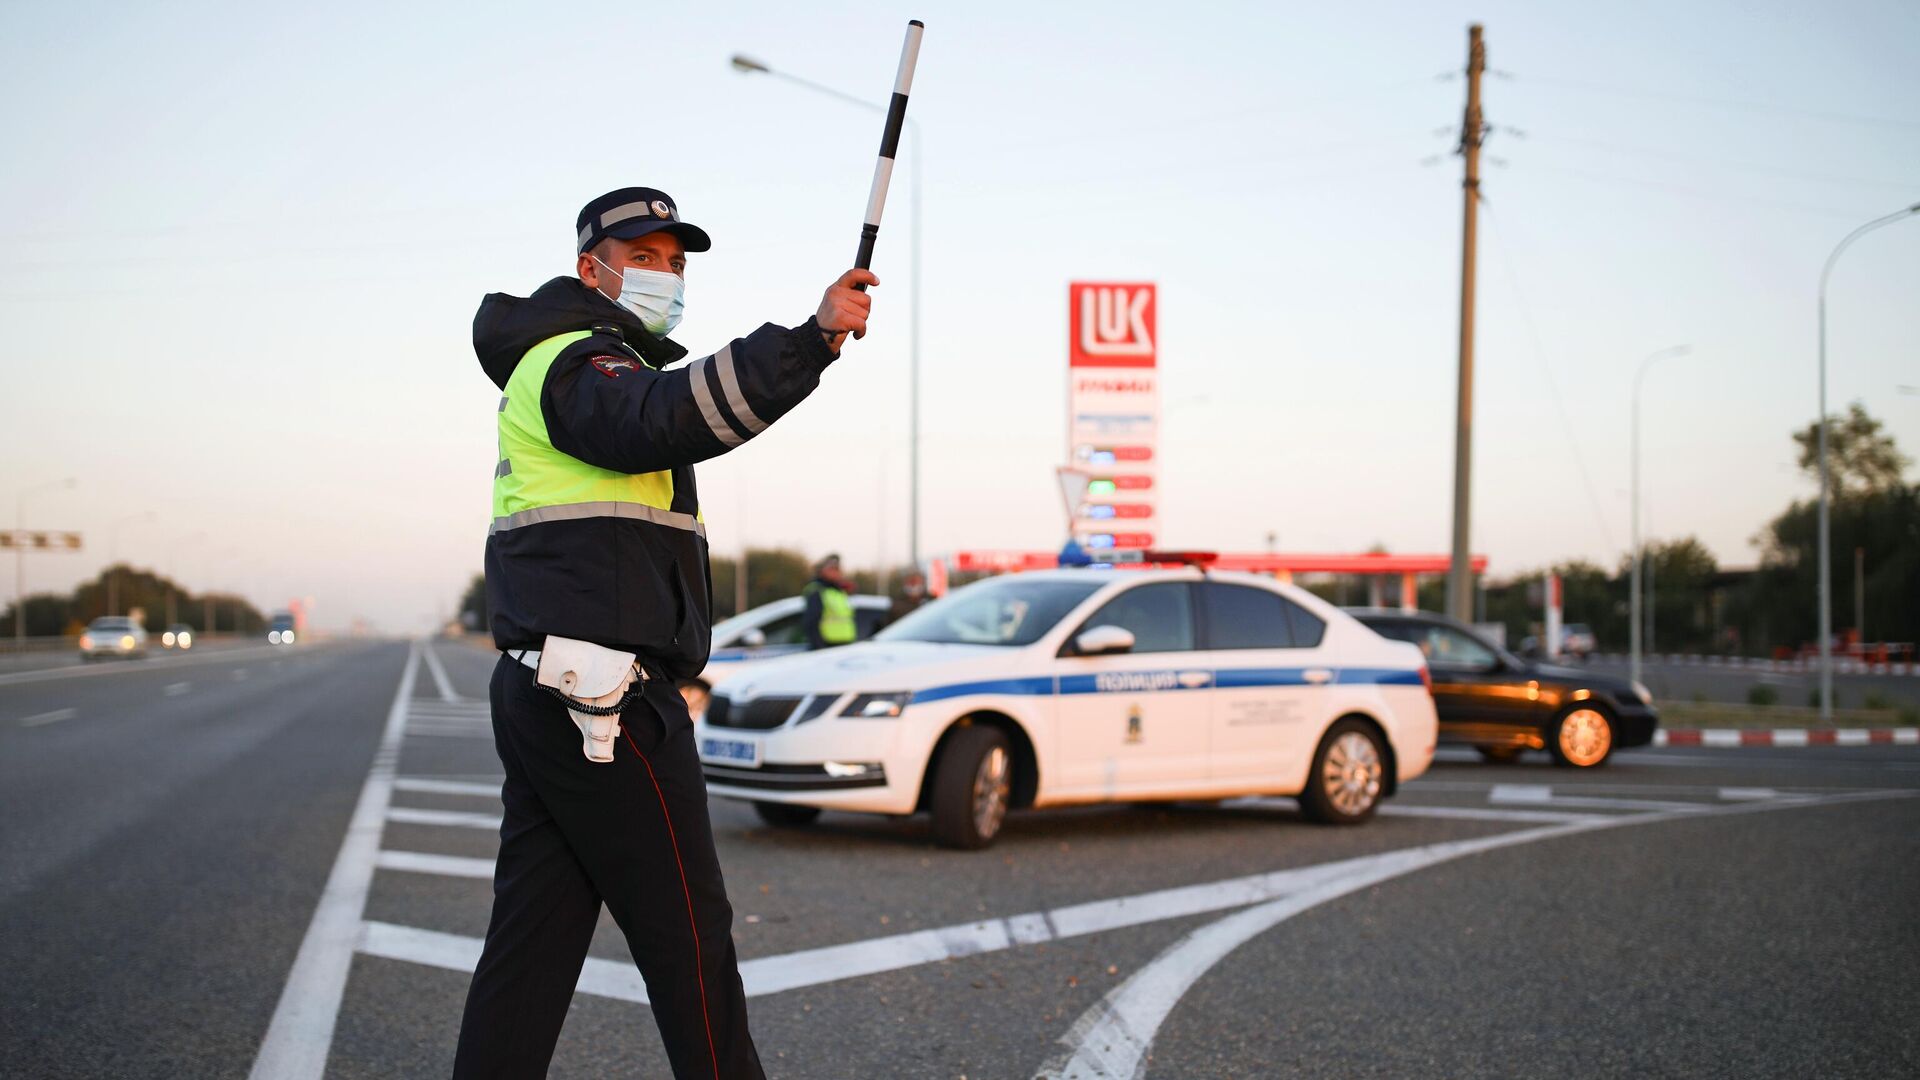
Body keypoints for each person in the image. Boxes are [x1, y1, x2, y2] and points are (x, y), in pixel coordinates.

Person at [454, 186, 877, 1080]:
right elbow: (667, 414)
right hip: (599, 704)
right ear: (590, 269)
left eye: (676, 262)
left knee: (531, 948)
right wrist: (810, 339)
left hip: (555, 690)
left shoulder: (584, 361)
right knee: (690, 940)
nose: (665, 275)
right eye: (643, 256)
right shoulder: (574, 360)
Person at [801, 554, 856, 650]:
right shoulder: (817, 590)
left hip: (844, 646)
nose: (837, 573)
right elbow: (811, 623)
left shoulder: (839, 592)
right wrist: (819, 648)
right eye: (833, 569)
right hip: (827, 648)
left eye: (838, 569)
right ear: (822, 571)